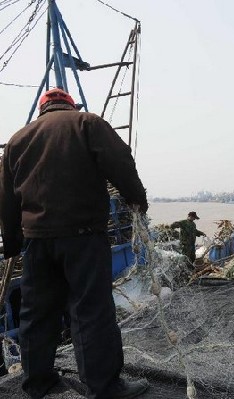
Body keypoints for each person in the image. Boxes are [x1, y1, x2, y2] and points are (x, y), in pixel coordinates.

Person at [0, 88, 150, 398]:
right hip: (83, 238)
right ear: (70, 104)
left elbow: (6, 198)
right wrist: (137, 200)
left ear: (42, 110)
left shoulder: (16, 141)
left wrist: (12, 242)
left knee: (37, 314)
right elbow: (121, 162)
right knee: (90, 311)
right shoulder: (88, 123)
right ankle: (103, 387)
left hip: (37, 243)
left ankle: (38, 383)